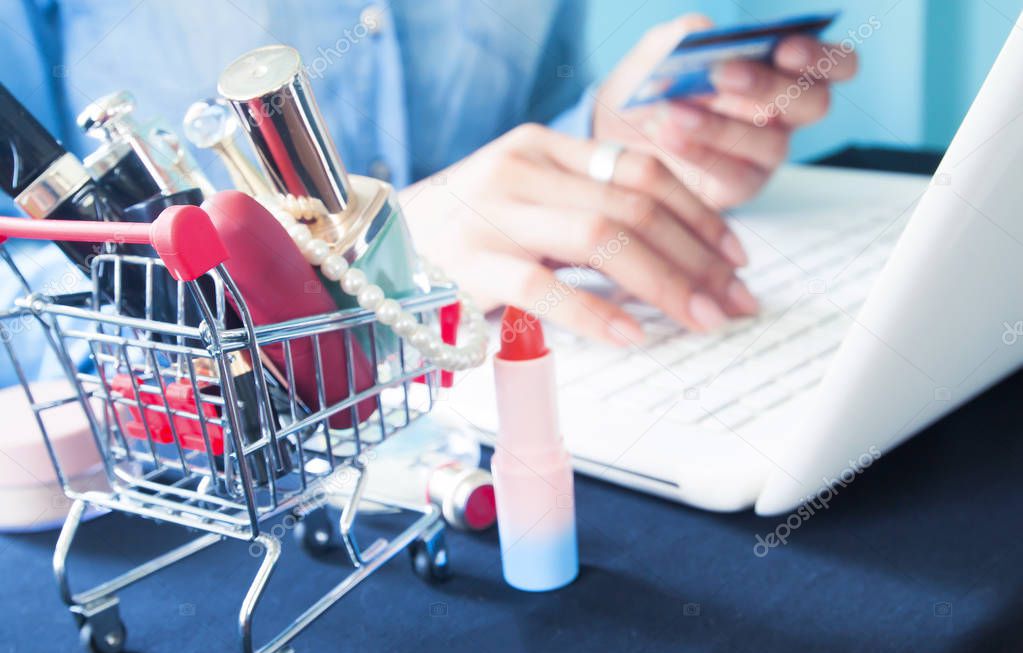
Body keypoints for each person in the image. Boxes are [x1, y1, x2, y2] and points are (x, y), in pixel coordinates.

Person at [0, 1, 857, 386]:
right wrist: (379, 258)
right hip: (235, 455)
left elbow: (506, 141)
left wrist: (605, 139)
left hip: (503, 382)